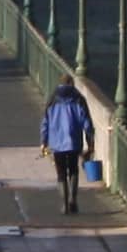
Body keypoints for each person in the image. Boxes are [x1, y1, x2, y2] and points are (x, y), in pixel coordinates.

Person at [39, 80, 95, 217]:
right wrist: (90, 140)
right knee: (74, 170)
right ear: (71, 83)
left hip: (57, 143)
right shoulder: (78, 99)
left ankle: (64, 204)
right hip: (74, 141)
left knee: (61, 173)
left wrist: (44, 141)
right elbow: (86, 122)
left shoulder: (52, 99)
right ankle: (73, 200)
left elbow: (45, 122)